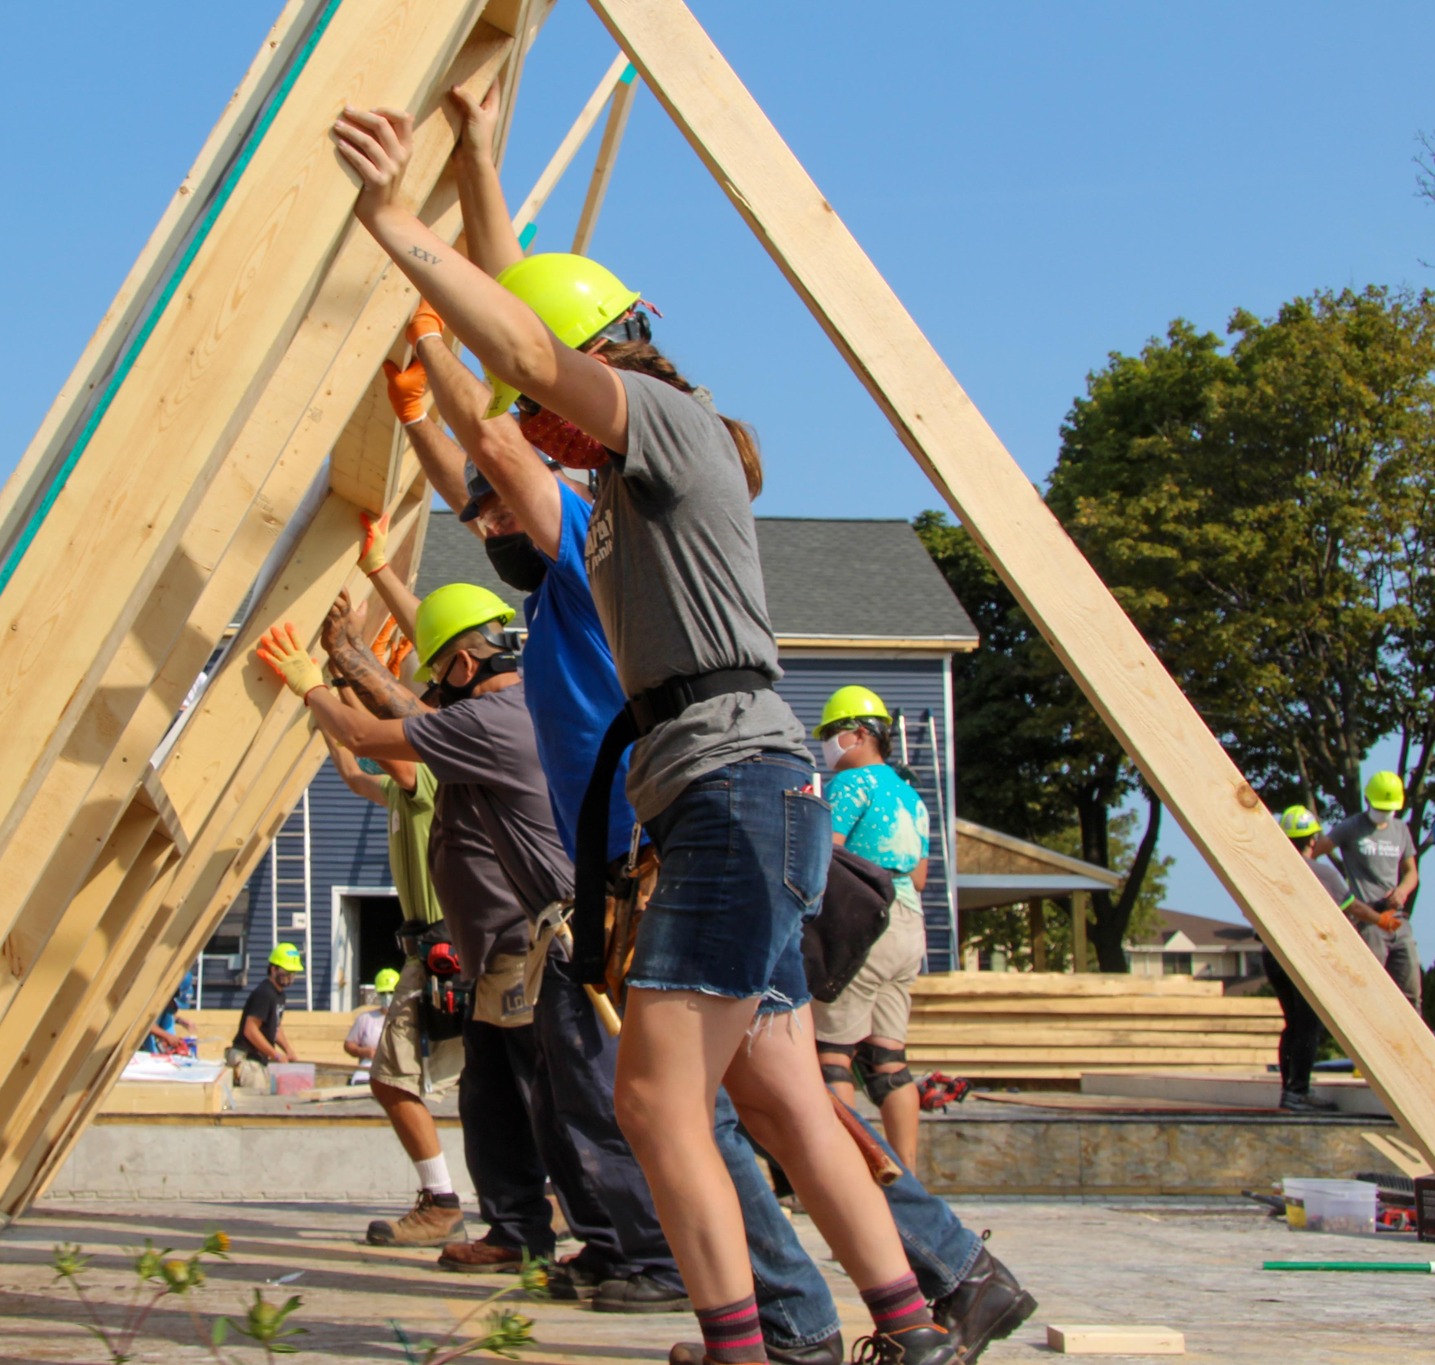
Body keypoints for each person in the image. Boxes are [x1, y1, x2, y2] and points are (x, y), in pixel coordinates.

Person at [334, 98, 956, 1365]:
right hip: (717, 800)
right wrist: (480, 171)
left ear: (605, 364)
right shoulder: (606, 511)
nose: (540, 440)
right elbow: (509, 392)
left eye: (559, 407)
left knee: (653, 1097)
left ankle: (748, 1347)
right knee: (779, 1101)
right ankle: (916, 1329)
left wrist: (396, 219)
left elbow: (527, 350)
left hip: (728, 790)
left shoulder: (662, 430)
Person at [261, 581, 689, 1310]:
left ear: (462, 664)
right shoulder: (502, 710)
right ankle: (547, 1234)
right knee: (510, 1096)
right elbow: (409, 713)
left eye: (438, 673)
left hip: (553, 940)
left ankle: (648, 1253)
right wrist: (354, 661)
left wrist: (318, 682)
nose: (433, 692)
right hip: (506, 947)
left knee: (579, 1099)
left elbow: (375, 735)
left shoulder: (497, 718)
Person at [322, 701, 470, 1247]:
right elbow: (352, 770)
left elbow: (368, 743)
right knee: (488, 1080)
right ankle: (539, 1193)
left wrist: (328, 689)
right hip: (433, 949)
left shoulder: (424, 777)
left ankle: (441, 1199)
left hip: (438, 950)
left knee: (388, 1077)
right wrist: (323, 717)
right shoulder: (397, 793)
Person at [810, 687, 932, 1172]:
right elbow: (920, 878)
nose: (827, 743)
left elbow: (826, 858)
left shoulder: (850, 785)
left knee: (833, 1055)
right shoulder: (909, 794)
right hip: (907, 927)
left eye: (832, 733)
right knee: (889, 1060)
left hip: (862, 926)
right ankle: (910, 1182)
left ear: (861, 733)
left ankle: (852, 1176)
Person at [1268, 807, 1366, 1112]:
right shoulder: (1322, 872)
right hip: (1302, 958)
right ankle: (1298, 1093)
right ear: (1312, 840)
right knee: (1309, 1025)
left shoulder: (1273, 870)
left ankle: (1289, 1091)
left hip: (1272, 956)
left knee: (1293, 1024)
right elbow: (1352, 908)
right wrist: (1378, 918)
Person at [1325, 772, 1421, 1011]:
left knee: (1411, 993)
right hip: (1369, 920)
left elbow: (1412, 873)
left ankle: (1413, 1046)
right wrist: (1338, 892)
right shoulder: (1351, 827)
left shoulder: (1401, 830)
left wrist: (1402, 891)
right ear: (1368, 800)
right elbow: (1314, 854)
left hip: (1396, 919)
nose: (1384, 812)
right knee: (1372, 990)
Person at [228, 944, 300, 1091]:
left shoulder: (279, 996)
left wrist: (288, 1050)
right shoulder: (264, 993)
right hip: (247, 1060)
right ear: (273, 969)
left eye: (293, 973)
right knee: (253, 1107)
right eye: (286, 972)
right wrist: (276, 1055)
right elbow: (250, 1029)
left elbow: (275, 1027)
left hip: (259, 1060)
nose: (290, 977)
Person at [344, 967, 398, 1083]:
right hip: (369, 1070)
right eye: (383, 993)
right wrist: (363, 1052)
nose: (387, 996)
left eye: (391, 992)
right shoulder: (365, 1019)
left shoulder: (406, 1019)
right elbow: (349, 1045)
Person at [142, 971, 198, 1055]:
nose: (176, 1009)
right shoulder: (147, 999)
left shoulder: (164, 1006)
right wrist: (167, 1037)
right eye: (175, 1005)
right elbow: (142, 1022)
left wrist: (180, 1020)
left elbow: (165, 1013)